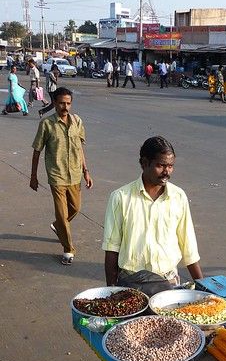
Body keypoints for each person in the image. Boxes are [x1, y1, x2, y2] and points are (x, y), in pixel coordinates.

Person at [102, 136, 203, 291]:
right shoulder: (120, 197)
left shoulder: (178, 196)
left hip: (169, 282)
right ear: (144, 163)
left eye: (170, 166)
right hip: (131, 282)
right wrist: (111, 290)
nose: (166, 172)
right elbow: (112, 247)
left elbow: (188, 245)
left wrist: (204, 287)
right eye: (161, 165)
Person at [30, 87, 94, 265]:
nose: (65, 107)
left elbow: (79, 148)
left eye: (68, 103)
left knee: (75, 208)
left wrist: (86, 171)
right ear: (55, 103)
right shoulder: (47, 124)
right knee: (61, 212)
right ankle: (68, 249)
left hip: (74, 174)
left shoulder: (77, 121)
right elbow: (37, 151)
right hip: (56, 175)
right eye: (61, 103)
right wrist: (33, 176)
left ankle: (58, 226)